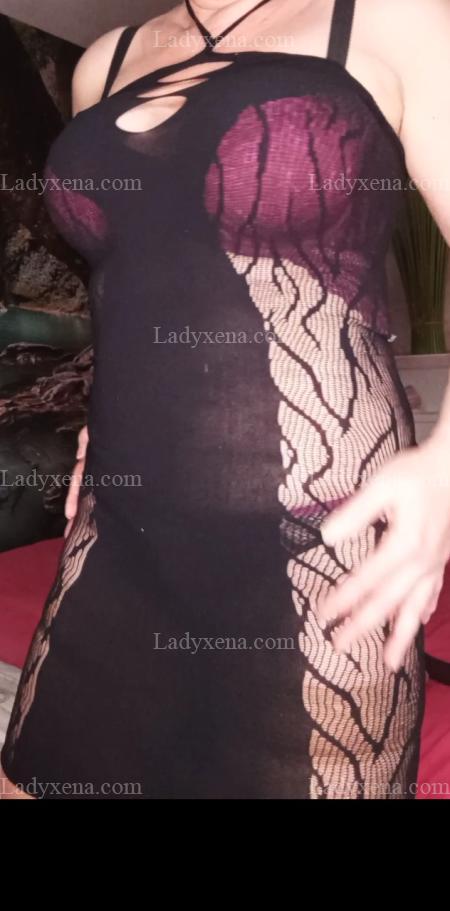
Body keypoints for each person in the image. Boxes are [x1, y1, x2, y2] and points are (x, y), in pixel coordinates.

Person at [2, 0, 450, 800]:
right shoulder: (105, 61)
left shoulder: (392, 17)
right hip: (120, 520)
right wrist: (105, 409)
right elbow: (134, 270)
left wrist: (446, 466)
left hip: (319, 526)